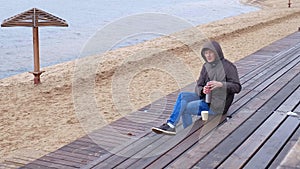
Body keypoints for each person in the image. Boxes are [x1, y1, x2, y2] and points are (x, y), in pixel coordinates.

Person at [152, 40, 241, 135]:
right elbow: (198, 86)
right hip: (206, 98)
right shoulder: (206, 66)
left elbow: (237, 87)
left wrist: (221, 84)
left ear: (217, 53)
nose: (208, 55)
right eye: (206, 53)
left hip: (218, 106)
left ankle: (189, 133)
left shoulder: (228, 67)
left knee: (185, 108)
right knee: (183, 95)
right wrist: (203, 90)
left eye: (211, 52)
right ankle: (171, 125)